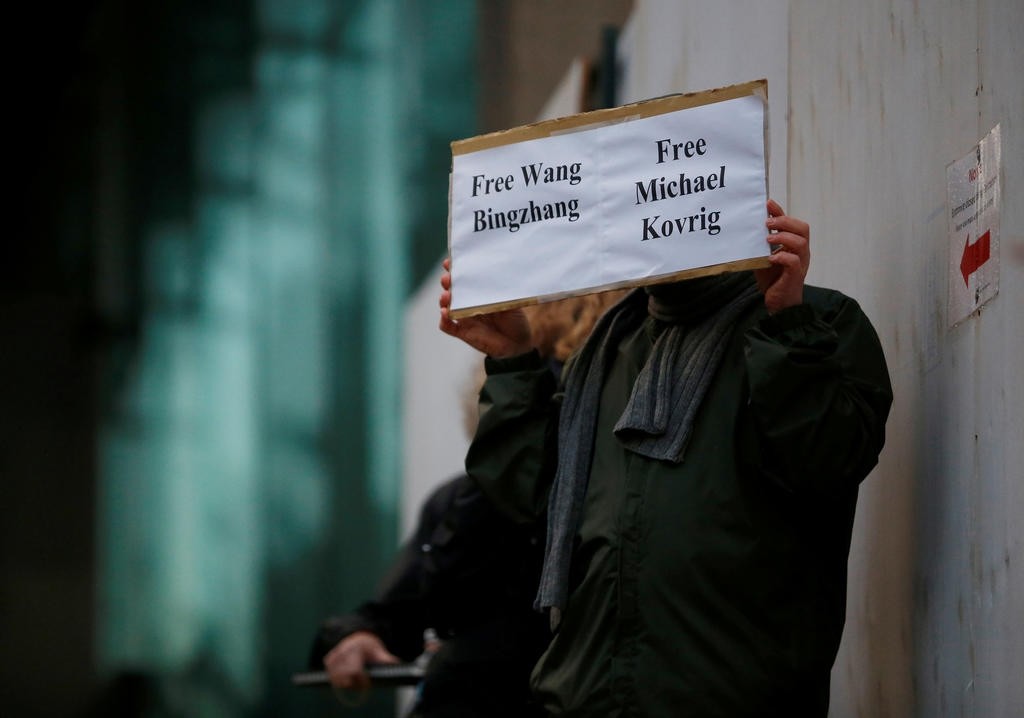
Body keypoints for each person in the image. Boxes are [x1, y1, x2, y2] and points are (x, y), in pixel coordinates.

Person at [438, 199, 893, 717]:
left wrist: (787, 323)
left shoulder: (814, 321)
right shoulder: (606, 350)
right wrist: (513, 359)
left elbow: (829, 462)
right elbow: (536, 500)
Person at [310, 290, 626, 717]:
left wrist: (362, 633)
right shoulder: (466, 496)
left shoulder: (493, 493)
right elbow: (402, 607)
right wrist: (360, 634)